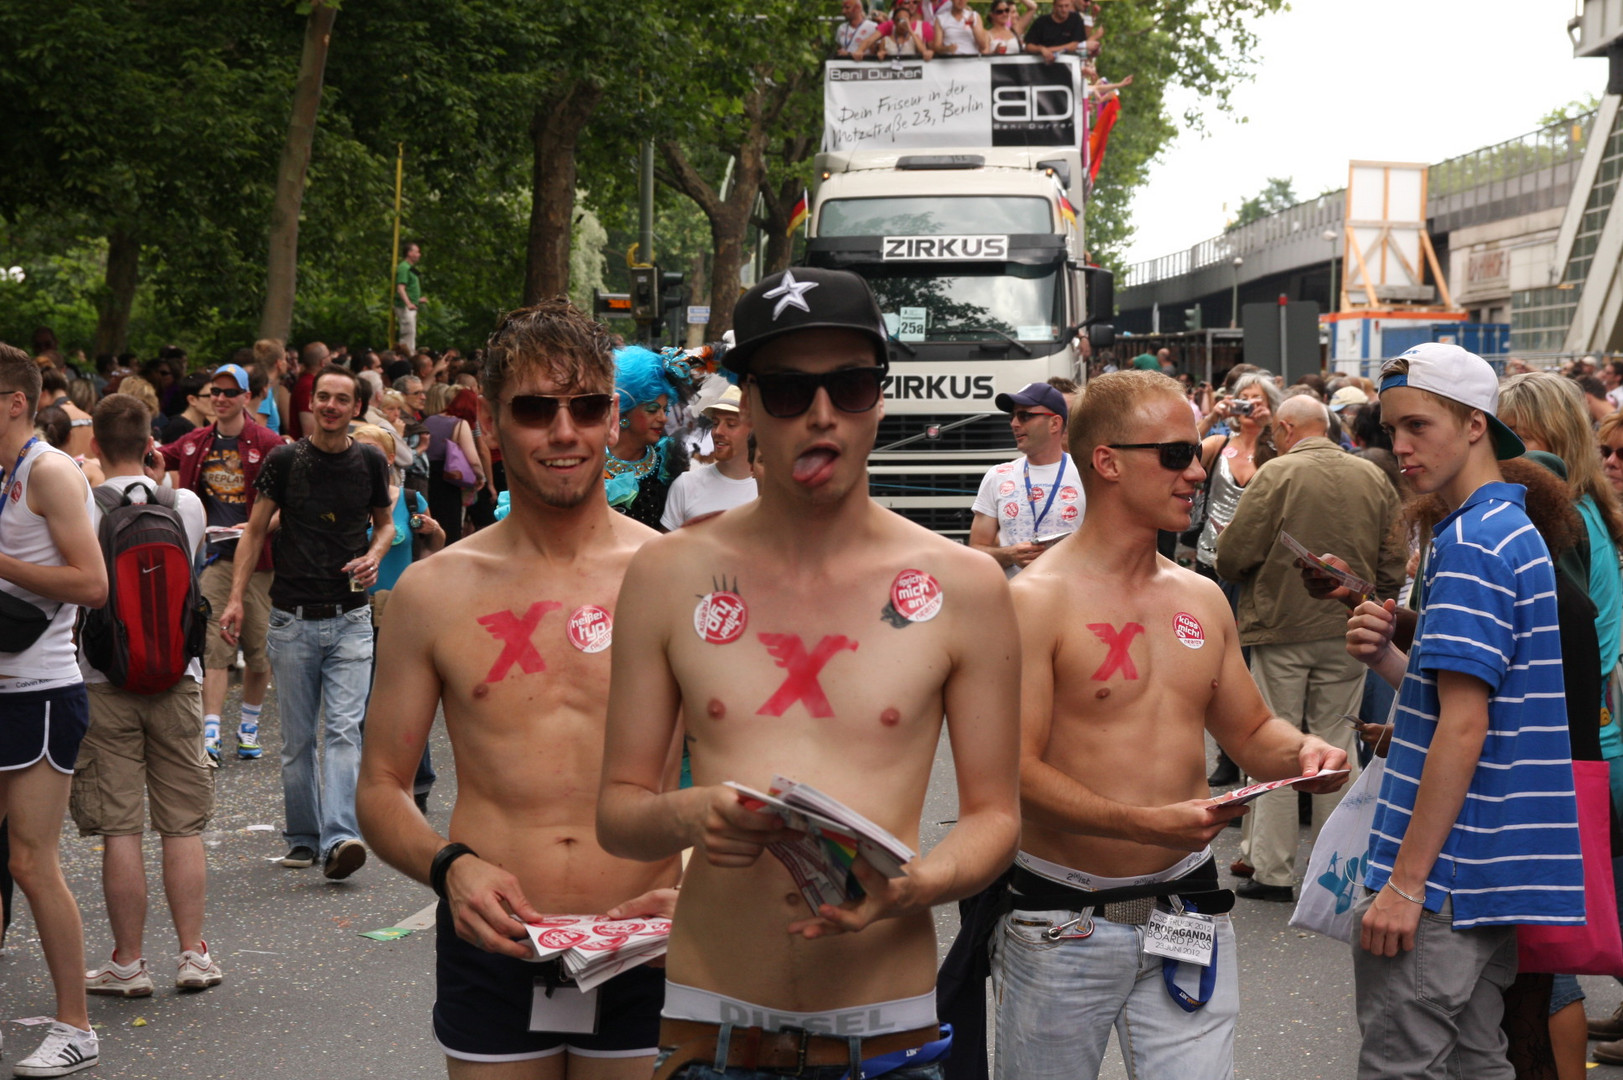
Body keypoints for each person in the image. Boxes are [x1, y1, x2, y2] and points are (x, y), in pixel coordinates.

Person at [597, 266, 1021, 1080]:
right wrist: (693, 814)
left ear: (879, 399)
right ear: (746, 404)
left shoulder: (963, 586)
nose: (821, 415)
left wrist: (916, 883)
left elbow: (996, 817)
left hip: (886, 1034)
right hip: (708, 1030)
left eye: (851, 385)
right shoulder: (665, 576)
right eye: (789, 391)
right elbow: (619, 812)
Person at [987, 369, 1346, 1080]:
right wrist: (1141, 824)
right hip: (1062, 920)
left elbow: (1247, 732)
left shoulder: (1200, 596)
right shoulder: (1033, 603)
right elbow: (1008, 773)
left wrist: (1300, 751)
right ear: (1108, 462)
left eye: (1197, 453)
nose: (1196, 470)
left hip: (1188, 910)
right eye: (1176, 454)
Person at [358, 299, 682, 1078]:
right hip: (490, 941)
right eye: (536, 409)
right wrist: (449, 869)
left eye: (588, 407)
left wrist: (700, 885)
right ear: (495, 427)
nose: (564, 432)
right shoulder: (434, 594)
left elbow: (745, 771)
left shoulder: (675, 578)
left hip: (650, 940)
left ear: (615, 419)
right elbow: (379, 787)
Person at [1347, 343, 1582, 1079]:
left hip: (1448, 869)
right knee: (1478, 1059)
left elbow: (1464, 724)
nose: (1401, 446)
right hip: (1489, 865)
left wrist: (1406, 883)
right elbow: (1469, 702)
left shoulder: (1474, 541)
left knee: (1403, 1064)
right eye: (1391, 430)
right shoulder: (1508, 527)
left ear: (1476, 424)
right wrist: (1390, 659)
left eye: (1418, 425)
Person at [1212, 395, 1406, 902]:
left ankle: (1271, 868)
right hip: (1353, 626)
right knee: (1337, 743)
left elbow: (1234, 556)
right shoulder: (1372, 476)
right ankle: (1336, 865)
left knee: (1275, 740)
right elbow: (1393, 561)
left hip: (1281, 626)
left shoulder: (1277, 474)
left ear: (1285, 427)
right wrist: (1370, 604)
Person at [74, 394, 222, 1000]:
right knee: (181, 825)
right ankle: (193, 955)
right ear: (151, 443)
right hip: (178, 678)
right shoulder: (183, 503)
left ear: (94, 448)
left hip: (103, 680)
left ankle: (128, 963)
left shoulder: (82, 505)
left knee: (121, 829)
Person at [219, 365, 393, 879]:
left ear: (356, 408)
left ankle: (340, 838)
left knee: (343, 732)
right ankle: (302, 836)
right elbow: (253, 534)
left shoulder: (369, 460)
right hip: (292, 619)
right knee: (298, 741)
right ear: (312, 403)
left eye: (342, 399)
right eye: (323, 397)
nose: (331, 405)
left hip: (351, 619)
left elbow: (385, 527)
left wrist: (375, 554)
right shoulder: (284, 460)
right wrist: (235, 600)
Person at [0, 342, 109, 1077]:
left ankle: (77, 1026)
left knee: (33, 864)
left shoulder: (49, 470)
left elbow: (91, 583)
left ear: (15, 401)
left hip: (39, 691)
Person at [161, 363, 283, 763]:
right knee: (214, 645)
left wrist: (262, 524)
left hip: (261, 561)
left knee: (259, 648)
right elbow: (151, 458)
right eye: (216, 391)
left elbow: (293, 503)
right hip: (214, 558)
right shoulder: (196, 441)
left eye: (230, 392)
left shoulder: (268, 443)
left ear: (247, 397)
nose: (221, 399)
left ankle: (248, 726)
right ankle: (210, 730)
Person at [969, 382, 1084, 577]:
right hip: (1013, 601)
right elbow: (976, 549)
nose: (1014, 424)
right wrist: (1009, 554)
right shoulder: (998, 475)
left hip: (1070, 601)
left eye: (1025, 416)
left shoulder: (1088, 473)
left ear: (1055, 423)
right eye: (1012, 416)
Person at [604, 346, 688, 531]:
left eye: (665, 410)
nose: (663, 418)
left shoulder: (668, 460)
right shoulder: (590, 456)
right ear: (623, 411)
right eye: (652, 409)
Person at [660, 385, 757, 529]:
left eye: (731, 424)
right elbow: (665, 548)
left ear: (755, 431)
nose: (718, 431)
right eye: (715, 423)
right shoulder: (686, 485)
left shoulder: (773, 489)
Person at [159, 371, 215, 445]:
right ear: (192, 400)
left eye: (215, 394)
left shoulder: (206, 424)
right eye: (208, 396)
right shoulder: (177, 428)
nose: (215, 399)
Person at [292, 342, 329, 439]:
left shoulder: (309, 382)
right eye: (329, 356)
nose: (332, 359)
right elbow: (309, 431)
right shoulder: (308, 386)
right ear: (323, 362)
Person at [395, 242, 425, 355]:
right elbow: (400, 288)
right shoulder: (404, 267)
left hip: (411, 305)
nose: (419, 254)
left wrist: (417, 299)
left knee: (411, 332)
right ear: (409, 253)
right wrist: (408, 303)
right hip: (405, 306)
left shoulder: (410, 268)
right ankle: (406, 355)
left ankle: (410, 353)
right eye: (416, 251)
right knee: (408, 332)